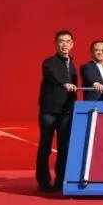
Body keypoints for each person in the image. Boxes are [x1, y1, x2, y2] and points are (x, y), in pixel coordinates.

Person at [36, 30, 78, 193]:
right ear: (55, 44)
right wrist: (63, 84)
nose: (64, 44)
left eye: (67, 41)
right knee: (45, 147)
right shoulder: (49, 63)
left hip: (66, 113)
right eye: (61, 41)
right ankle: (43, 181)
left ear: (72, 44)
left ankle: (61, 180)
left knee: (64, 148)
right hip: (49, 112)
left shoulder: (72, 65)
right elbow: (51, 76)